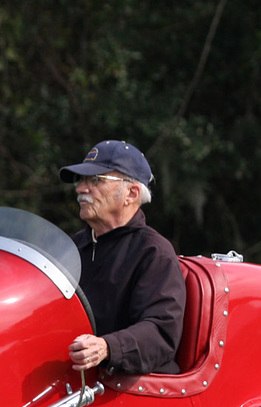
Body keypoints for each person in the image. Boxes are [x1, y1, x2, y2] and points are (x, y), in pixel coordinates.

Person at [58, 140, 185, 376]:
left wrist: (107, 348)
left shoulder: (154, 252)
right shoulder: (73, 246)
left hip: (124, 392)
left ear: (131, 193)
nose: (80, 189)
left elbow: (161, 333)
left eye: (94, 180)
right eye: (81, 180)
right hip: (69, 383)